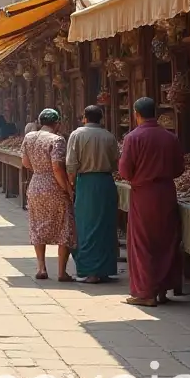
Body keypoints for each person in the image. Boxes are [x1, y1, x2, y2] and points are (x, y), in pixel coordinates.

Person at [118, 96, 184, 307]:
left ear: (136, 114)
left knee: (142, 243)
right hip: (166, 193)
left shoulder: (132, 138)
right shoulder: (170, 137)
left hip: (143, 194)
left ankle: (146, 293)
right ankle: (162, 290)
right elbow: (179, 169)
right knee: (165, 241)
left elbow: (125, 171)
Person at [66, 104, 120, 283]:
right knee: (105, 226)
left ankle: (90, 271)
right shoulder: (109, 136)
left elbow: (71, 164)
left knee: (86, 226)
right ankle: (105, 268)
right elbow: (116, 163)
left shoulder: (77, 135)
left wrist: (71, 184)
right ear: (101, 118)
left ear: (84, 118)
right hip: (105, 183)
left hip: (86, 183)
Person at [22, 108, 75, 281]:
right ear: (57, 123)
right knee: (64, 226)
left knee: (37, 225)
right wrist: (67, 188)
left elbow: (25, 162)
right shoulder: (57, 140)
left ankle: (41, 268)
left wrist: (38, 170)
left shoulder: (29, 137)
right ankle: (61, 272)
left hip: (36, 184)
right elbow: (57, 167)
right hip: (54, 186)